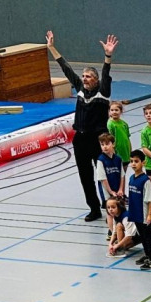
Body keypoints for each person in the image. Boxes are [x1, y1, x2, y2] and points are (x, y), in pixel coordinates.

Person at [49, 30, 116, 222]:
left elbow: (106, 73)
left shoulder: (103, 92)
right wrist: (52, 48)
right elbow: (66, 68)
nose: (84, 78)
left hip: (98, 140)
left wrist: (108, 56)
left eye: (88, 76)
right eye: (83, 76)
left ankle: (112, 205)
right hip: (80, 140)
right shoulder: (79, 89)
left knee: (104, 173)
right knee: (85, 177)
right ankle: (94, 208)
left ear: (96, 80)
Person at [124, 151, 151, 268]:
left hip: (144, 215)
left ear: (143, 163)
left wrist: (150, 215)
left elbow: (150, 200)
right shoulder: (131, 178)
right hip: (135, 213)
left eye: (136, 161)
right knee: (142, 236)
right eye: (131, 161)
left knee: (148, 237)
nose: (133, 164)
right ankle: (147, 255)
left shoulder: (146, 181)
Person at [97, 133, 126, 207]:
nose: (105, 147)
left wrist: (120, 189)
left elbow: (122, 176)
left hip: (117, 191)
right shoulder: (100, 160)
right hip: (107, 192)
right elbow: (103, 179)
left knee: (119, 208)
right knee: (110, 209)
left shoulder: (118, 159)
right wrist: (110, 192)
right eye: (102, 144)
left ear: (113, 144)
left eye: (107, 144)